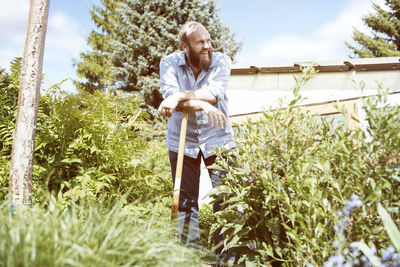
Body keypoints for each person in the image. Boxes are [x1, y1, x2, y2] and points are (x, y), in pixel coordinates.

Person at [158, 21, 235, 258]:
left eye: (208, 40)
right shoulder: (169, 63)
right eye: (200, 42)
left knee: (227, 199)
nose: (206, 46)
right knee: (185, 202)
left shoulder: (221, 60)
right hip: (182, 140)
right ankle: (190, 258)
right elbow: (169, 99)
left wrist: (181, 96)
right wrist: (200, 103)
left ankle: (227, 257)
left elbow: (213, 93)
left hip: (218, 137)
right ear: (185, 47)